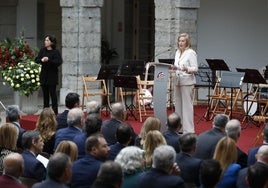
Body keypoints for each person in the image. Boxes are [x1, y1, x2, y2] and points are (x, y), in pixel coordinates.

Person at [173, 33, 198, 133]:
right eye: (179, 41)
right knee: (178, 106)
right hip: (178, 81)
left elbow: (195, 68)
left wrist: (187, 68)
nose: (180, 43)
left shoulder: (191, 52)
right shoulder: (177, 52)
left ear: (187, 42)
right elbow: (177, 66)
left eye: (183, 41)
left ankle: (188, 130)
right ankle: (179, 127)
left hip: (187, 82)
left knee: (187, 107)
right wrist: (173, 68)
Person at [35, 34, 63, 115]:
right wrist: (42, 60)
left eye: (47, 40)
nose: (45, 42)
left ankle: (55, 111)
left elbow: (58, 62)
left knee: (53, 94)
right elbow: (36, 60)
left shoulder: (56, 52)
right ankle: (45, 112)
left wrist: (49, 60)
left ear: (51, 42)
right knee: (45, 95)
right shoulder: (42, 50)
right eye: (45, 40)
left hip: (52, 75)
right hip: (44, 75)